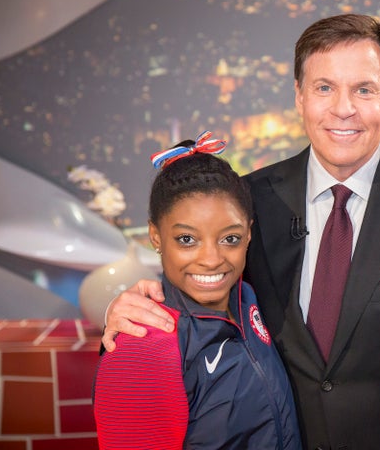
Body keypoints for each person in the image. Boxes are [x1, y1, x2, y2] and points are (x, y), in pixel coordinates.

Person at [102, 14, 380, 449]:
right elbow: (203, 290)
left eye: (364, 89)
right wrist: (129, 315)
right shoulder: (250, 200)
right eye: (324, 87)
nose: (343, 108)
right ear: (299, 96)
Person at [93, 132, 302, 449]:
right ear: (155, 236)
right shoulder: (142, 350)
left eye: (229, 238)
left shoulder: (246, 298)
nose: (211, 260)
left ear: (248, 233)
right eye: (187, 239)